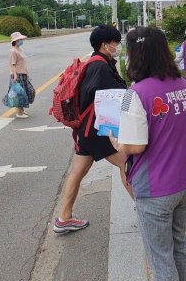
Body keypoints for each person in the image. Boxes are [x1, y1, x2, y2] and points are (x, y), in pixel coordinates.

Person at [109, 27, 186, 281]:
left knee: (160, 257)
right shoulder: (185, 86)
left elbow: (134, 147)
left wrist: (116, 141)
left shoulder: (134, 94)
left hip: (155, 187)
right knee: (179, 245)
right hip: (185, 183)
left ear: (136, 55)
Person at [53, 25, 131, 233]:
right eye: (115, 42)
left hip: (86, 129)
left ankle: (64, 217)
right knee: (127, 164)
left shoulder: (96, 62)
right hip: (97, 129)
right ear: (105, 45)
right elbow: (116, 96)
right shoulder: (100, 67)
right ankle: (145, 213)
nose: (118, 45)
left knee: (79, 170)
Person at [9, 32, 35, 119]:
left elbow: (23, 63)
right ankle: (19, 112)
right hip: (18, 74)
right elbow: (12, 64)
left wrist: (27, 74)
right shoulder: (13, 51)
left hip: (23, 74)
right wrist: (15, 75)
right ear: (16, 41)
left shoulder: (20, 50)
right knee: (20, 94)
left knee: (28, 92)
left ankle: (22, 110)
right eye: (20, 40)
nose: (22, 41)